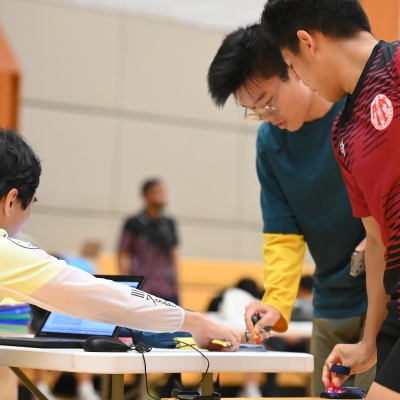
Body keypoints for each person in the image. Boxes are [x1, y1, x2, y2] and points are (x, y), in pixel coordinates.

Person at [207, 24, 374, 396]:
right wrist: (277, 304)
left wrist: (378, 239)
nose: (265, 116)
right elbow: (282, 234)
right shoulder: (271, 142)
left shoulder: (359, 108)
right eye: (252, 111)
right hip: (332, 301)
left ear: (293, 67)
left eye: (267, 101)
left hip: (387, 295)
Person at [261, 1, 400, 399]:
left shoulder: (397, 65)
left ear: (307, 43)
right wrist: (368, 342)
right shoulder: (343, 133)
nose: (300, 79)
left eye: (292, 65)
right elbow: (376, 244)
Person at [0, 128, 241, 358]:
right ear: (12, 200)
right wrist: (197, 322)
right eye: (31, 203)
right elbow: (100, 296)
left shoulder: (168, 223)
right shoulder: (6, 252)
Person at [118, 179, 179, 304]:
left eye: (163, 191)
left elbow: (173, 256)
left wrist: (177, 285)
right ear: (146, 195)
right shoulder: (134, 223)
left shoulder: (169, 223)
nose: (162, 195)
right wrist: (128, 284)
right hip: (143, 290)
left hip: (166, 289)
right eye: (157, 191)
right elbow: (122, 253)